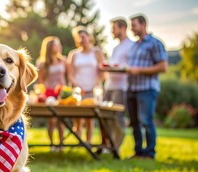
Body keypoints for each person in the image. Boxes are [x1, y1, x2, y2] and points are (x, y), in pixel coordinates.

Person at [126, 14, 168, 159]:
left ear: (143, 25)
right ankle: (138, 151)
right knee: (134, 122)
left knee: (146, 121)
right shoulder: (134, 45)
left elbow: (163, 67)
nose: (132, 29)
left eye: (134, 25)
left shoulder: (154, 43)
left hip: (147, 88)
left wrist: (140, 70)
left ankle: (150, 152)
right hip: (132, 88)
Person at [100, 17, 135, 151]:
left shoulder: (131, 46)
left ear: (122, 28)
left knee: (117, 117)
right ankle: (108, 144)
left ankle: (116, 146)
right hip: (109, 86)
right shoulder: (115, 48)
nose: (112, 32)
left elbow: (130, 66)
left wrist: (117, 67)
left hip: (121, 87)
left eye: (114, 28)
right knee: (105, 117)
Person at [67, 27, 105, 144]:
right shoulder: (74, 54)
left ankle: (88, 142)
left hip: (93, 90)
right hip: (79, 91)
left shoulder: (97, 52)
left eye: (83, 36)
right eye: (78, 37)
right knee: (78, 118)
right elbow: (70, 74)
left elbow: (103, 70)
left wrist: (97, 84)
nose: (80, 39)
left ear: (89, 37)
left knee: (90, 118)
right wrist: (78, 86)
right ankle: (79, 140)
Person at [36, 36, 69, 152]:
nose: (59, 46)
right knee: (51, 120)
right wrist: (42, 94)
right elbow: (40, 81)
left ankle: (61, 144)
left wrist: (67, 91)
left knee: (61, 120)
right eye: (57, 44)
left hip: (62, 93)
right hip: (49, 94)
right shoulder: (42, 63)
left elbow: (68, 77)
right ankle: (52, 144)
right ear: (50, 47)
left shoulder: (63, 60)